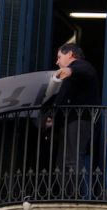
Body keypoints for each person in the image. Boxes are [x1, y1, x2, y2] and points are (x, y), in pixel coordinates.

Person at [40, 43, 101, 197]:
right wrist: (52, 119)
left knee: (73, 158)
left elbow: (87, 70)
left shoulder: (80, 66)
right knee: (62, 162)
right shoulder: (70, 79)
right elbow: (60, 101)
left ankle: (74, 195)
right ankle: (64, 194)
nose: (57, 62)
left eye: (59, 57)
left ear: (71, 54)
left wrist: (70, 69)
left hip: (79, 119)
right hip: (68, 121)